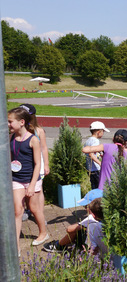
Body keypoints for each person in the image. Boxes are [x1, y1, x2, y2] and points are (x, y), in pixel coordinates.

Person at [9, 107, 48, 250]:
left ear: (21, 122)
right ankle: (16, 245)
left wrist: (32, 185)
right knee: (17, 211)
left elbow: (38, 164)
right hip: (16, 179)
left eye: (10, 121)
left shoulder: (33, 140)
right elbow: (11, 158)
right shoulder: (11, 137)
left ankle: (43, 233)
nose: (8, 124)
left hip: (32, 179)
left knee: (34, 208)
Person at [43, 192, 106, 256]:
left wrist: (82, 225)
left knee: (75, 230)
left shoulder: (91, 218)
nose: (85, 208)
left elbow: (69, 229)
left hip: (94, 246)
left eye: (86, 206)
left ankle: (59, 245)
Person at [19, 104, 51, 222]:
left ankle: (39, 214)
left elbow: (44, 148)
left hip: (37, 164)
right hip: (23, 164)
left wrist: (46, 164)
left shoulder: (39, 131)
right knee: (22, 188)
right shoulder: (18, 130)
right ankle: (27, 210)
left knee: (38, 189)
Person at [84, 121, 109, 190]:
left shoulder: (88, 140)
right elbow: (91, 154)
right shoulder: (95, 141)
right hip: (96, 169)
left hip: (89, 168)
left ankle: (94, 200)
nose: (103, 134)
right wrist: (100, 163)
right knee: (100, 187)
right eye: (103, 132)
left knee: (94, 187)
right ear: (98, 132)